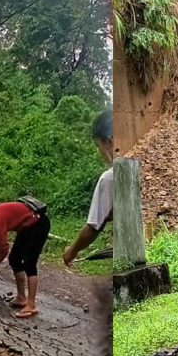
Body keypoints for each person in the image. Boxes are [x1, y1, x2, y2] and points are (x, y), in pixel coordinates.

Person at [0, 197, 50, 318]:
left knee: (29, 263)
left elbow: (3, 250)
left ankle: (31, 304)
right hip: (26, 226)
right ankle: (21, 297)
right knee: (14, 259)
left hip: (38, 224)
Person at [64, 109, 113, 266]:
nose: (99, 151)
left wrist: (72, 251)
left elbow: (94, 226)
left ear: (109, 141)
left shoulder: (109, 178)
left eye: (98, 145)